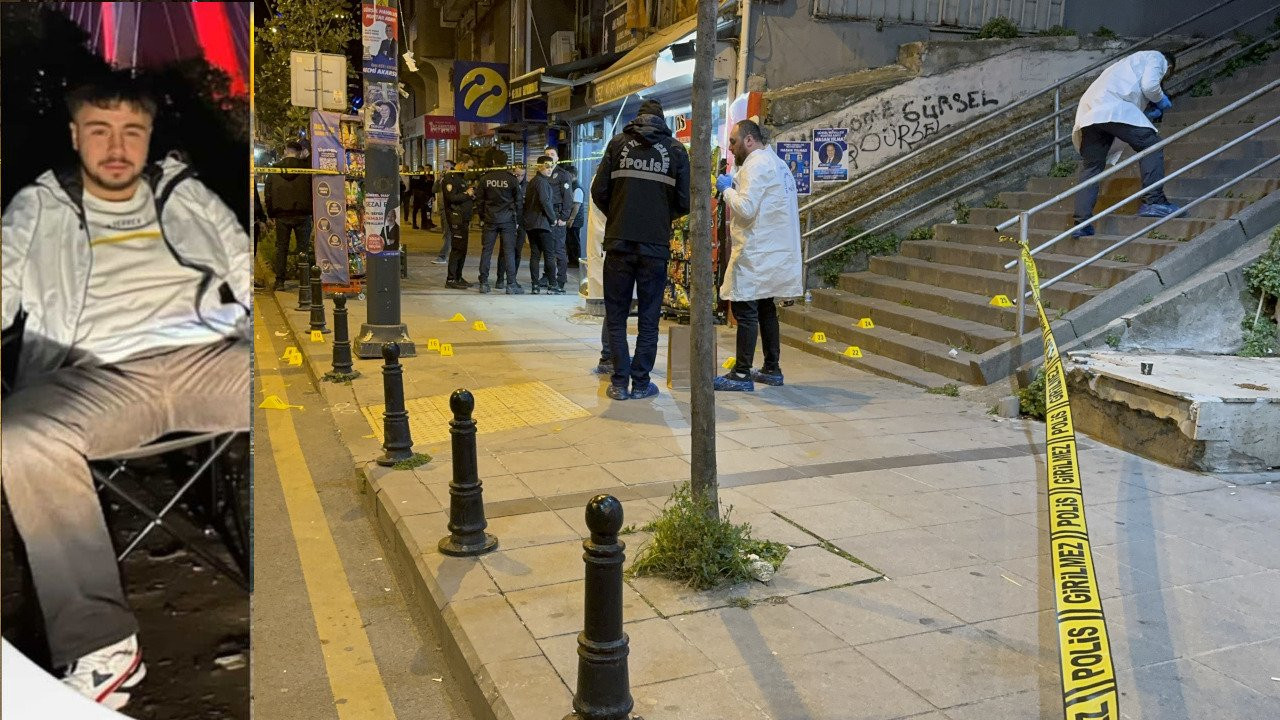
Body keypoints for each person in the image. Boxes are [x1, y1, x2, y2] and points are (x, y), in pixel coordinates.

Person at [1, 75, 251, 710]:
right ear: (74, 134)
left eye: (131, 132)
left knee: (316, 397)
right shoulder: (38, 206)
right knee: (22, 434)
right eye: (99, 130)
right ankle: (102, 646)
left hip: (207, 357)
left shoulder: (182, 191)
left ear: (147, 139)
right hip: (95, 374)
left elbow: (244, 266)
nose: (116, 147)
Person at [591, 98, 690, 400]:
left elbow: (599, 191)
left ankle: (619, 382)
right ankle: (642, 382)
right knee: (648, 317)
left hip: (619, 242)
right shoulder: (675, 151)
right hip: (655, 247)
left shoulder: (618, 144)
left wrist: (621, 214)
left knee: (617, 315)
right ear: (663, 120)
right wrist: (659, 219)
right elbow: (684, 201)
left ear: (638, 118)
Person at [713, 120, 803, 391]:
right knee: (766, 308)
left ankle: (741, 374)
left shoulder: (756, 164)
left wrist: (726, 189)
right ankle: (772, 368)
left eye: (733, 141)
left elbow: (747, 208)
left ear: (749, 140)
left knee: (746, 310)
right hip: (774, 250)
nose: (730, 148)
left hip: (756, 251)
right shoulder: (778, 164)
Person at [1072, 50, 1181, 237]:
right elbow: (1149, 86)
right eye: (1167, 74)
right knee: (1152, 145)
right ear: (1169, 67)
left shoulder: (1126, 64)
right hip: (1113, 108)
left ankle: (1081, 223)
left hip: (1090, 115)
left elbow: (1131, 93)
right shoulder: (1157, 58)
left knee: (1091, 168)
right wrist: (1161, 99)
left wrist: (1146, 112)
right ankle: (1154, 202)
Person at [264, 138, 312, 290]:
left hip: (282, 215)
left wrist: (271, 214)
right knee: (303, 249)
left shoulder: (274, 170)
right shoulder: (307, 170)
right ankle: (305, 282)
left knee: (281, 249)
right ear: (299, 153)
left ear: (285, 151)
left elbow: (268, 195)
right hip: (303, 215)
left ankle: (279, 282)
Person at [477, 149, 524, 294]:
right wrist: (517, 219)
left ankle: (484, 283)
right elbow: (519, 202)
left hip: (490, 219)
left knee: (487, 251)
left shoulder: (485, 178)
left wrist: (482, 217)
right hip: (508, 220)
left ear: (493, 162)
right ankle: (510, 284)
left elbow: (479, 201)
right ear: (506, 163)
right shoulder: (512, 179)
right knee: (509, 252)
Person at [523, 156, 560, 294]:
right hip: (543, 224)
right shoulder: (542, 182)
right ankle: (553, 285)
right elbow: (545, 201)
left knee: (535, 255)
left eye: (551, 166)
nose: (550, 169)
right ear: (539, 167)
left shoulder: (532, 181)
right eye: (547, 166)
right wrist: (553, 219)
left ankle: (535, 286)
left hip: (531, 224)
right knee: (549, 255)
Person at [543, 145, 574, 291]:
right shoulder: (543, 174)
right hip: (545, 216)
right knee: (547, 249)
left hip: (558, 215)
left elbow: (568, 198)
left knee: (559, 249)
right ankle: (548, 275)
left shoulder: (563, 175)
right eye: (547, 154)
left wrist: (564, 217)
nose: (550, 156)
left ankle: (561, 279)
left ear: (557, 158)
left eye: (552, 154)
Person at [443, 157, 476, 288]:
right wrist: (467, 194)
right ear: (461, 164)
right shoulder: (450, 178)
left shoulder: (461, 178)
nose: (469, 169)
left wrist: (471, 194)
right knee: (457, 249)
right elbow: (451, 197)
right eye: (468, 166)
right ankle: (451, 279)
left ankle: (458, 276)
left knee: (463, 249)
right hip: (456, 218)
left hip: (464, 219)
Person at [432, 159, 455, 264]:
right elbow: (434, 190)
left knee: (447, 233)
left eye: (447, 167)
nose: (444, 169)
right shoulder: (442, 179)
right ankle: (451, 253)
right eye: (444, 167)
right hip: (442, 209)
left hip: (449, 209)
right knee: (446, 232)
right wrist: (439, 180)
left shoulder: (453, 179)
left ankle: (443, 256)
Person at [566, 165, 585, 268]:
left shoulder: (577, 187)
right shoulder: (573, 185)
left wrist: (571, 218)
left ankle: (575, 261)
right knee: (570, 240)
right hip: (574, 219)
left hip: (575, 220)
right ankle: (572, 260)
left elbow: (576, 206)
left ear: (572, 175)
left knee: (574, 241)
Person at [409, 163, 434, 229]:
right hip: (419, 195)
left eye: (428, 169)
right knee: (416, 210)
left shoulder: (431, 175)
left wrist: (433, 195)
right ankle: (415, 224)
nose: (426, 170)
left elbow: (432, 187)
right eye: (425, 168)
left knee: (426, 210)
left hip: (427, 196)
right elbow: (413, 184)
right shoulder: (419, 175)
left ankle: (425, 224)